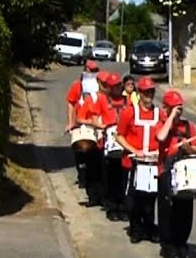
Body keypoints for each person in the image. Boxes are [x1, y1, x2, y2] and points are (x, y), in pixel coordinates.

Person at [115, 77, 163, 244]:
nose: (149, 95)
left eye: (151, 91)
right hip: (132, 163)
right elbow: (119, 135)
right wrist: (134, 150)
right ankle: (136, 228)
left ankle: (149, 227)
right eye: (146, 92)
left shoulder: (159, 113)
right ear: (139, 93)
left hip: (152, 163)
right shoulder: (129, 112)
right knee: (133, 200)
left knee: (150, 198)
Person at [157, 90, 196, 258]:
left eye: (180, 108)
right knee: (168, 211)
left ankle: (181, 243)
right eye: (174, 108)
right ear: (166, 108)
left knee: (185, 211)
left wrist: (187, 148)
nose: (178, 112)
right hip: (166, 172)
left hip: (185, 174)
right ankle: (168, 245)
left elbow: (195, 150)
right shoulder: (162, 124)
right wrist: (170, 118)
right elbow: (160, 137)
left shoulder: (188, 127)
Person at [64, 60, 105, 199]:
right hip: (80, 123)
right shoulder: (78, 86)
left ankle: (94, 184)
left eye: (94, 70)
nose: (92, 73)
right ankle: (83, 176)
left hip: (96, 123)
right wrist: (70, 122)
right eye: (90, 70)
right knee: (80, 152)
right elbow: (71, 103)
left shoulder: (99, 86)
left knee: (96, 154)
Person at [97, 72, 131, 221]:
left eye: (118, 85)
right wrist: (101, 126)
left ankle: (123, 206)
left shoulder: (127, 101)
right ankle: (112, 207)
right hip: (109, 142)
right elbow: (91, 117)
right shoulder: (102, 100)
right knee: (110, 176)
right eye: (114, 86)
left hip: (123, 142)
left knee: (124, 177)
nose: (117, 88)